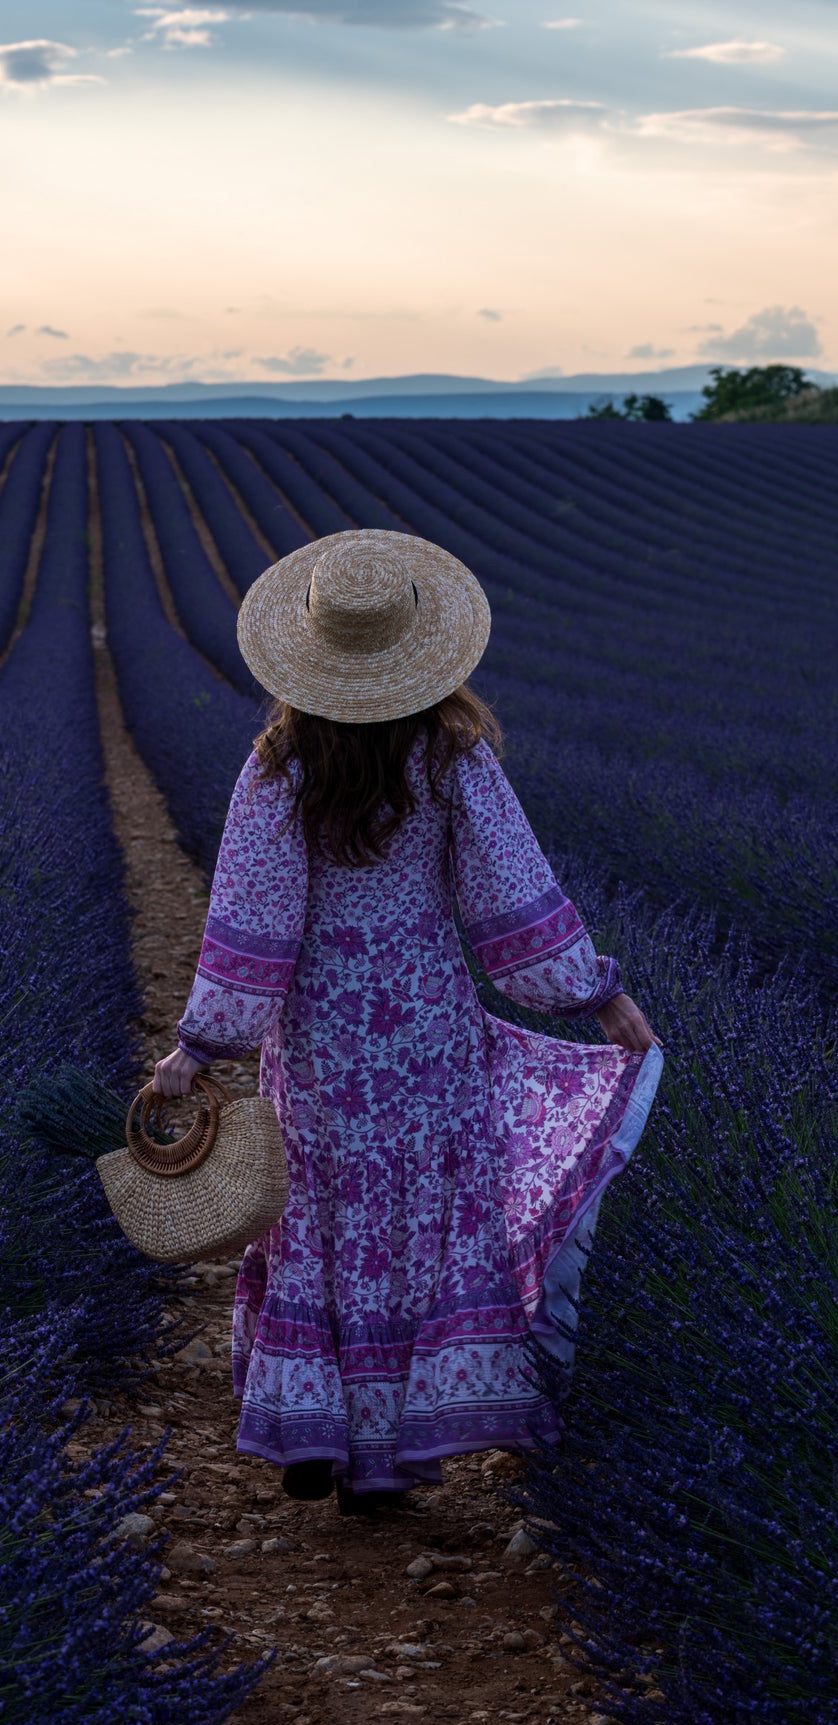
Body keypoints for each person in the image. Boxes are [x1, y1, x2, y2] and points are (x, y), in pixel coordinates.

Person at [152, 529, 662, 1515]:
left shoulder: (277, 767)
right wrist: (597, 993)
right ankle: (389, 1450)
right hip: (429, 1032)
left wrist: (199, 1046)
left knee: (315, 1218)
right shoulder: (452, 760)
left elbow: (254, 931)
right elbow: (509, 905)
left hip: (318, 1041)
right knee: (413, 1231)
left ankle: (313, 1424)